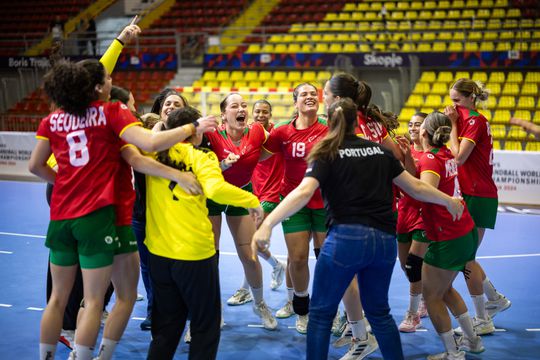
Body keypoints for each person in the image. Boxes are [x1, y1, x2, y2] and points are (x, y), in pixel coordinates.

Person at [29, 43, 217, 360]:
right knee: (99, 299)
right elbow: (148, 146)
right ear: (100, 87)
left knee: (58, 299)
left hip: (61, 215)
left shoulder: (54, 119)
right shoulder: (110, 113)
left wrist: (66, 183)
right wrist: (192, 126)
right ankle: (90, 356)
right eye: (109, 81)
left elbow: (35, 166)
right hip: (101, 217)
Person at [252, 98, 466, 360]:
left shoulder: (326, 152)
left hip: (345, 239)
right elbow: (415, 186)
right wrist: (449, 201)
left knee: (320, 315)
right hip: (383, 242)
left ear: (329, 123)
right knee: (380, 313)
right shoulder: (380, 151)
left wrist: (269, 223)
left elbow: (304, 192)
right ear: (357, 123)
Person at [145, 106, 263, 359]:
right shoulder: (201, 157)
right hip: (194, 254)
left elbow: (150, 134)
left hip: (158, 252)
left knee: (165, 327)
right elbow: (217, 190)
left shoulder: (151, 153)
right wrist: (251, 199)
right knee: (205, 325)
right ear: (195, 130)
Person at [204, 93, 277, 330]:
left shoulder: (257, 131)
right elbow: (197, 162)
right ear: (224, 114)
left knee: (249, 255)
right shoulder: (211, 134)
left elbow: (269, 150)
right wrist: (221, 165)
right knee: (208, 258)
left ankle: (260, 304)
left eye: (244, 105)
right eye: (234, 106)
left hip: (241, 195)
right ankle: (210, 311)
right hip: (213, 195)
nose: (241, 108)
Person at [417, 112, 485, 360]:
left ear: (424, 133)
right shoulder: (446, 155)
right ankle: (472, 340)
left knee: (432, 295)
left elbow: (425, 191)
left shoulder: (430, 159)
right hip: (464, 231)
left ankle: (453, 353)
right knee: (444, 290)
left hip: (448, 236)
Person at [262, 83, 328, 334]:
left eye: (314, 93)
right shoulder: (281, 133)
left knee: (325, 260)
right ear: (295, 102)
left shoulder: (330, 127)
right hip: (294, 202)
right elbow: (257, 157)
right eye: (304, 94)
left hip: (325, 202)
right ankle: (301, 308)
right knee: (298, 259)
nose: (310, 97)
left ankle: (327, 309)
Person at [445, 78, 509, 331]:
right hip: (471, 193)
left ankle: (483, 320)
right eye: (451, 101)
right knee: (465, 257)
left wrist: (450, 124)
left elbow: (458, 157)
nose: (452, 106)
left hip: (478, 195)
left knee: (466, 258)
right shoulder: (467, 120)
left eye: (456, 101)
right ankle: (494, 300)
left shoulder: (474, 121)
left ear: (470, 98)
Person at [395, 112, 430, 333]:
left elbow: (416, 182)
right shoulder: (402, 150)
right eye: (410, 124)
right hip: (403, 213)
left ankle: (412, 314)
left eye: (418, 124)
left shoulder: (429, 153)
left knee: (413, 264)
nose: (413, 127)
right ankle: (424, 296)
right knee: (405, 265)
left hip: (423, 215)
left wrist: (407, 156)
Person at [250, 100, 288, 293]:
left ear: (270, 115)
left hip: (273, 193)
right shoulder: (249, 133)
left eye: (265, 112)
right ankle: (276, 265)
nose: (261, 115)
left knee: (251, 240)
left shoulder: (277, 134)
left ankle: (248, 289)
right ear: (252, 113)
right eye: (257, 111)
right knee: (251, 242)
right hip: (254, 192)